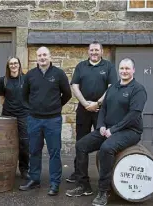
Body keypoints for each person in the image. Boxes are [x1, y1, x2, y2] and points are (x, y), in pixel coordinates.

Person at [66, 58, 147, 206]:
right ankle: (84, 185)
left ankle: (104, 191)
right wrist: (101, 125)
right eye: (122, 68)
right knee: (81, 145)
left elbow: (133, 115)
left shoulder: (138, 89)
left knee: (106, 148)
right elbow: (103, 108)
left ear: (133, 70)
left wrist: (113, 129)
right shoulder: (113, 87)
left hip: (130, 131)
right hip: (108, 129)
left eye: (127, 68)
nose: (124, 71)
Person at [19, 46, 72, 196]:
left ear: (50, 57)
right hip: (34, 120)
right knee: (34, 151)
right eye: (40, 55)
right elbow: (24, 96)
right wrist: (32, 109)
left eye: (45, 55)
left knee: (54, 152)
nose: (42, 57)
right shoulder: (30, 75)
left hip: (52, 120)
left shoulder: (59, 74)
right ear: (37, 58)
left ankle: (54, 183)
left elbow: (67, 94)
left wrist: (56, 106)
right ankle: (34, 180)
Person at [67, 41, 117, 183]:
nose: (94, 53)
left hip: (102, 110)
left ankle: (107, 174)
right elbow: (75, 86)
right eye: (91, 50)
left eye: (97, 50)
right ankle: (79, 173)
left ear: (101, 52)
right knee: (81, 141)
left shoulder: (108, 66)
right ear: (88, 52)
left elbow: (111, 87)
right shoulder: (81, 66)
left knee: (105, 141)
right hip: (83, 110)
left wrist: (97, 103)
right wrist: (85, 104)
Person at [0, 56, 29, 179]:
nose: (14, 65)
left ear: (19, 65)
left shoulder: (26, 79)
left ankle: (24, 169)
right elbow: (1, 96)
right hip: (8, 116)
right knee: (6, 143)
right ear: (8, 66)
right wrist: (6, 105)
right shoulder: (3, 80)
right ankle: (7, 168)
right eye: (11, 64)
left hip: (23, 115)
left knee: (24, 143)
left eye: (16, 63)